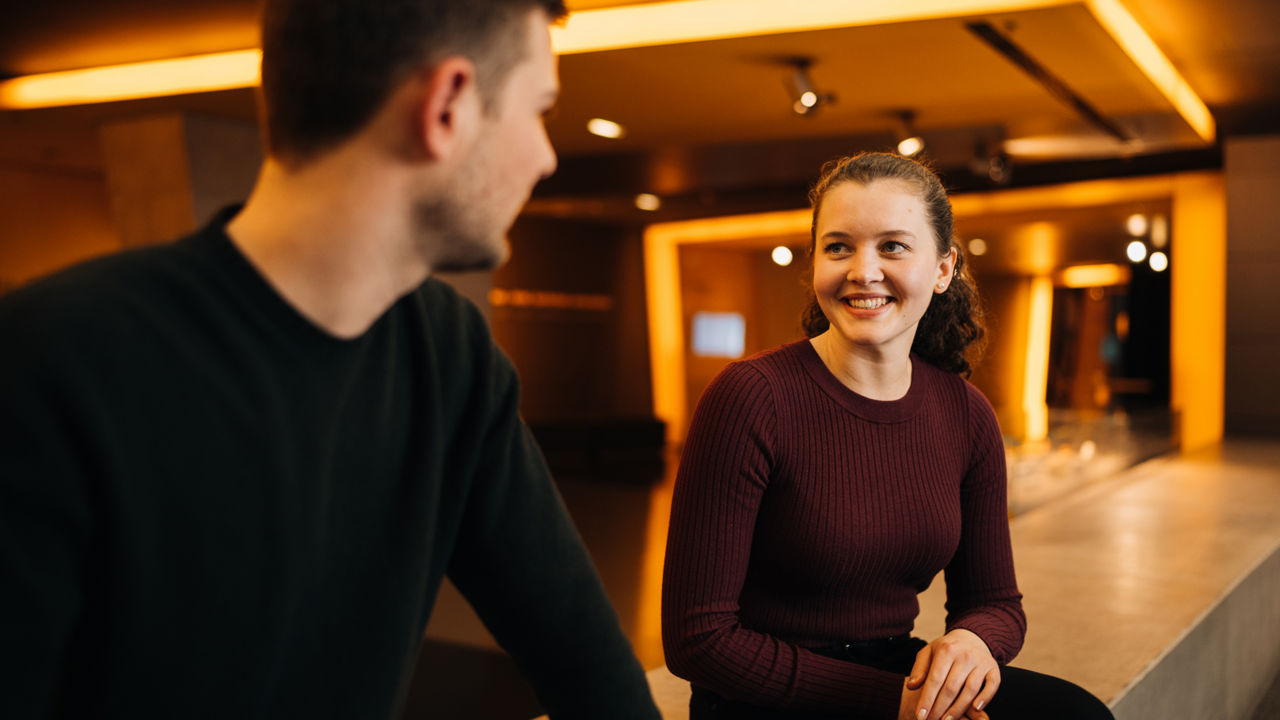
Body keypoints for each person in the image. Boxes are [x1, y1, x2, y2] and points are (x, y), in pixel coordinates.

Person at [0, 1, 660, 718]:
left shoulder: (451, 357)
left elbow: (582, 654)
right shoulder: (52, 359)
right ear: (447, 106)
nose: (546, 155)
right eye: (540, 110)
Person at [661, 152, 1113, 720]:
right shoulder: (750, 397)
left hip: (898, 671)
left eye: (893, 246)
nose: (862, 270)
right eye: (838, 246)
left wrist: (974, 643)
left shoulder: (966, 415)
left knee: (1078, 716)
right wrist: (892, 705)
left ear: (944, 269)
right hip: (764, 693)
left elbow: (995, 603)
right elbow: (698, 639)